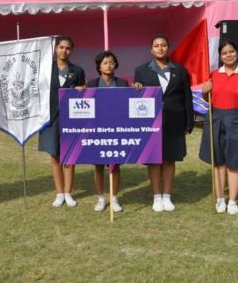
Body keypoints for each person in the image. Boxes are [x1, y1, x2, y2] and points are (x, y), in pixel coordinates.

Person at [134, 34, 194, 212]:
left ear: (168, 48)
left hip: (175, 120)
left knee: (169, 159)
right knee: (154, 160)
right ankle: (156, 196)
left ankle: (167, 196)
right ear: (151, 49)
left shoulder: (180, 70)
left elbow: (187, 97)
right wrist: (136, 89)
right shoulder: (141, 70)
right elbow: (137, 99)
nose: (160, 48)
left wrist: (189, 122)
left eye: (163, 45)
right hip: (150, 122)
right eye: (156, 45)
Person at [199, 40, 238, 215]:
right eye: (224, 53)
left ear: (237, 53)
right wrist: (203, 91)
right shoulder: (214, 74)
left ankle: (232, 201)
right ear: (220, 56)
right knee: (218, 162)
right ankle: (220, 199)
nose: (228, 55)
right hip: (216, 119)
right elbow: (209, 100)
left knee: (234, 162)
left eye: (231, 51)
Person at [39, 36, 86, 208]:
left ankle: (68, 192)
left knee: (70, 156)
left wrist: (81, 90)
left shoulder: (78, 71)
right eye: (61, 47)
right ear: (55, 49)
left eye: (67, 48)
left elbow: (83, 93)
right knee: (55, 155)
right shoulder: (44, 69)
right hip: (50, 117)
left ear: (71, 51)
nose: (64, 51)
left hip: (71, 118)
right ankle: (59, 193)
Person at [86, 50, 129, 212]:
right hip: (97, 130)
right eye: (105, 63)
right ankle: (100, 199)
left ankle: (115, 198)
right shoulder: (91, 85)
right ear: (99, 66)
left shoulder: (123, 84)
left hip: (117, 130)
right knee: (98, 166)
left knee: (115, 165)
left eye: (112, 63)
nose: (109, 65)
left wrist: (137, 89)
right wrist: (78, 90)